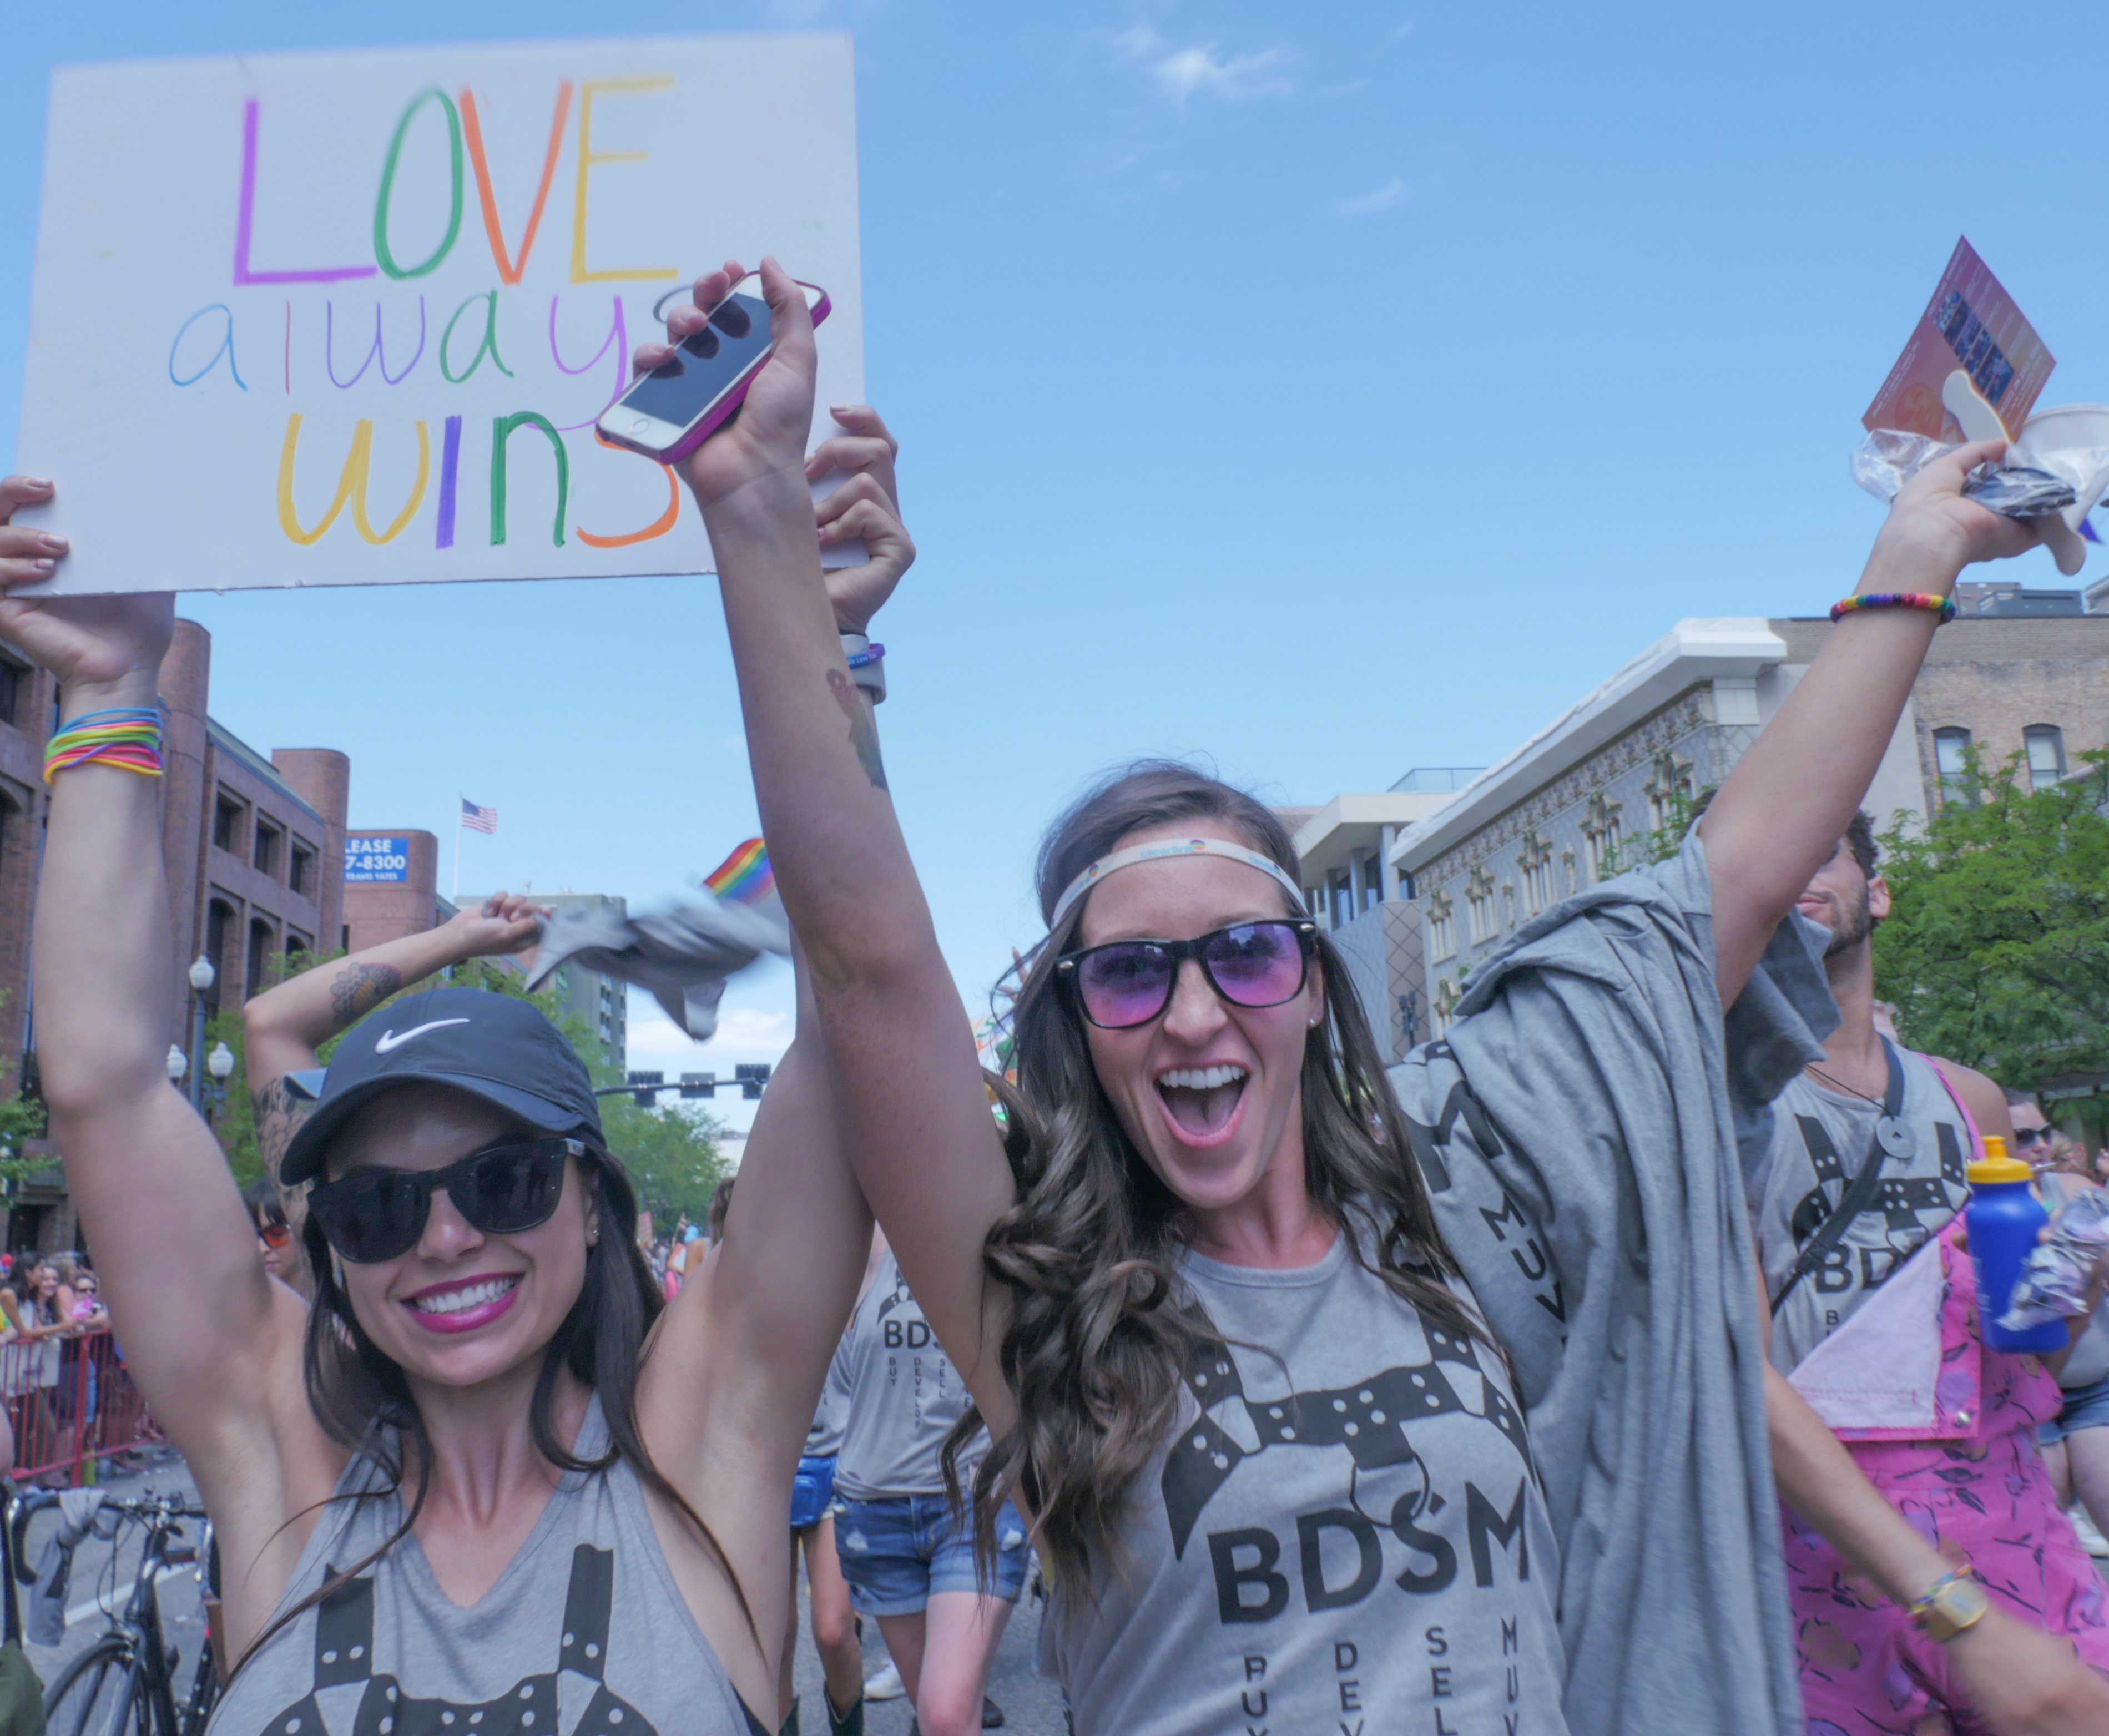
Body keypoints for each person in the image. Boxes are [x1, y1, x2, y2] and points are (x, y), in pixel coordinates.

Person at [643, 256, 2101, 1735]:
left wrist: (1918, 550)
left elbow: (1720, 885)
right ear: (1080, 1027)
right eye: (1134, 973)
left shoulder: (1462, 1202)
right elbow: (868, 964)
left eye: (1249, 956)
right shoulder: (1050, 1301)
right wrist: (767, 533)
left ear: (1317, 993)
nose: (1198, 1015)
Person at [0, 443, 912, 1733]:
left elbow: (852, 1002)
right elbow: (99, 1080)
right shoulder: (287, 1470)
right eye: (375, 1205)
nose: (442, 1235)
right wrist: (105, 685)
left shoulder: (704, 1449)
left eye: (500, 1179)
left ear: (588, 1200)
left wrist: (828, 640)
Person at [1729, 805, 2109, 1730]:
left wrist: (2076, 1283)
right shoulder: (1721, 1104)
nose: (1791, 869)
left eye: (1819, 848)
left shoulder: (1966, 1095)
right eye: (1758, 858)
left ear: (1879, 890)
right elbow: (1735, 1372)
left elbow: (2018, 1367)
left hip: (2004, 1520)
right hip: (1818, 1548)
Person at [826, 1237, 1021, 1736]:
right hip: (877, 1513)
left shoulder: (986, 1217)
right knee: (944, 1721)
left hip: (974, 1503)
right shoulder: (863, 1235)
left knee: (946, 1714)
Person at [243, 1179, 309, 1296]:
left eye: (275, 1234)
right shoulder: (237, 1310)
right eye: (251, 1238)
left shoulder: (344, 1301)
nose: (262, 1249)